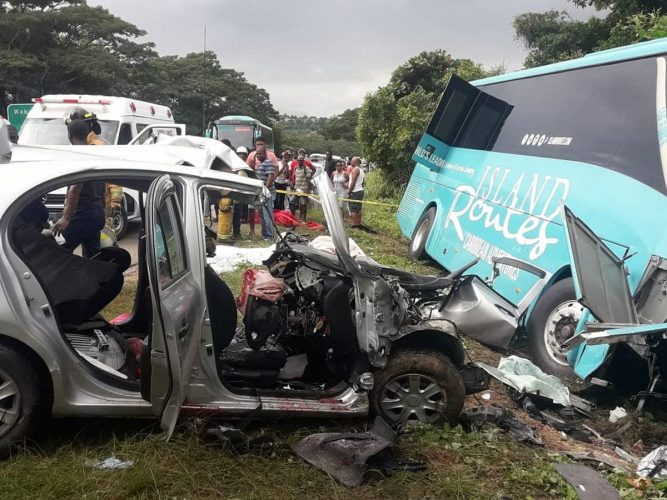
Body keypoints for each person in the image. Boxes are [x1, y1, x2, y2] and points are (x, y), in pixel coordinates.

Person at [53, 120, 106, 258]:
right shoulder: (94, 154)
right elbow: (103, 188)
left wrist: (66, 218)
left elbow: (75, 188)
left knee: (59, 252)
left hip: (83, 214)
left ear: (70, 136)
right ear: (87, 134)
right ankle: (94, 279)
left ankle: (65, 279)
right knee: (93, 255)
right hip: (96, 213)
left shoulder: (78, 155)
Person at [255, 148, 276, 240]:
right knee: (262, 216)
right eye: (257, 154)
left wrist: (265, 190)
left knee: (268, 216)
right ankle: (265, 235)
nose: (258, 156)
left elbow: (270, 178)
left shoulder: (268, 163)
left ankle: (270, 236)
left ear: (265, 153)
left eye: (260, 154)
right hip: (261, 194)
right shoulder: (261, 164)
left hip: (267, 194)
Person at [232, 146, 250, 239]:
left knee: (238, 214)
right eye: (239, 154)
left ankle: (236, 232)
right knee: (230, 213)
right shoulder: (232, 164)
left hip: (240, 193)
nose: (241, 156)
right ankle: (229, 233)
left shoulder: (246, 166)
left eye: (243, 154)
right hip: (232, 192)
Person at [291, 154, 313, 221]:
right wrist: (293, 185)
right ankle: (293, 217)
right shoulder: (295, 168)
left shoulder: (306, 169)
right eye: (299, 160)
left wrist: (307, 190)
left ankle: (303, 219)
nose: (300, 161)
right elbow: (295, 178)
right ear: (297, 161)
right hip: (296, 189)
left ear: (303, 161)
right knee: (292, 203)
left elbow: (309, 180)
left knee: (303, 204)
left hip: (303, 189)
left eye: (301, 160)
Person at [347, 157, 365, 227]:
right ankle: (359, 223)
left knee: (353, 209)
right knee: (358, 208)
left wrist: (349, 191)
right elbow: (363, 182)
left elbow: (353, 181)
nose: (350, 162)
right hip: (360, 190)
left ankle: (356, 225)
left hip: (355, 191)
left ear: (356, 162)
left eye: (352, 161)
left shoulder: (356, 169)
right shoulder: (361, 170)